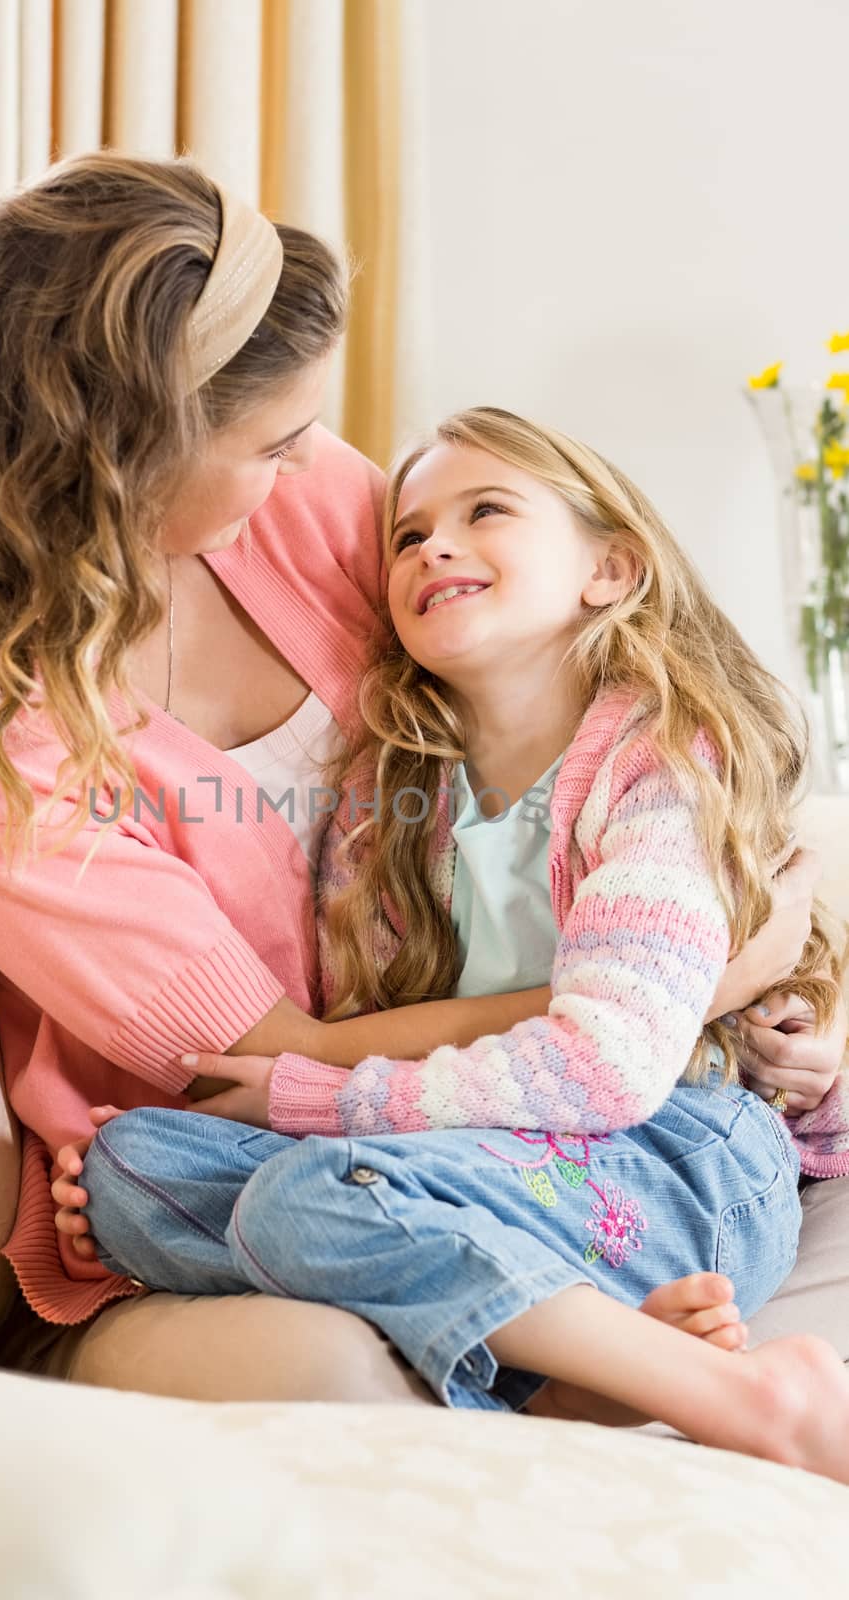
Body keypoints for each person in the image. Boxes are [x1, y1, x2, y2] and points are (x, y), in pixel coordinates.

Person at [0, 152, 831, 1403]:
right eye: (274, 441)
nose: (325, 472)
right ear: (130, 449)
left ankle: (630, 1358)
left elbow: (604, 729)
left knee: (341, 1271)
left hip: (518, 1109)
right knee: (245, 1263)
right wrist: (686, 988)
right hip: (270, 1127)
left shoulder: (304, 513)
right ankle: (585, 1347)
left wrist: (750, 968)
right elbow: (259, 1062)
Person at [62, 407, 849, 1481]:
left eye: (485, 510)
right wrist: (311, 1108)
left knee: (312, 1194)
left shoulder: (657, 762)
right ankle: (564, 1377)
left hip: (669, 1155)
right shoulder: (388, 803)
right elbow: (373, 1035)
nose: (431, 543)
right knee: (134, 1171)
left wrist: (305, 1102)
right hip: (483, 1161)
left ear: (609, 570)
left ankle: (736, 1393)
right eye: (406, 531)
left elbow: (604, 1067)